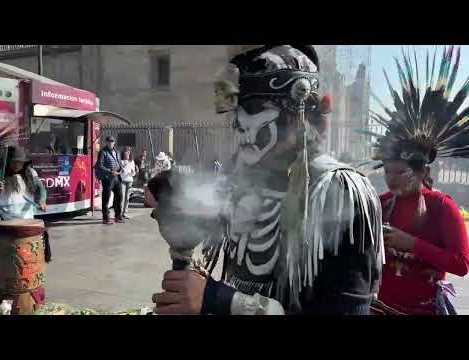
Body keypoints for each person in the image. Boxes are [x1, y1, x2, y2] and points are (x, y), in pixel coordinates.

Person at [151, 45, 384, 315]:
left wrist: (219, 299)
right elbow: (199, 222)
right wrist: (179, 209)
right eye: (239, 110)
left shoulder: (340, 192)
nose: (239, 123)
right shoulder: (243, 183)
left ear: (299, 114)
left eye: (256, 108)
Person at [366, 46, 469, 315]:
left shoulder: (442, 208)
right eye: (388, 172)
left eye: (401, 173)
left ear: (423, 173)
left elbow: (461, 264)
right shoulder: (380, 203)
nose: (392, 180)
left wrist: (411, 244)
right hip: (378, 308)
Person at [0, 145, 52, 262]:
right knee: (9, 261)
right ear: (7, 161)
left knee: (27, 260)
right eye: (14, 162)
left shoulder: (30, 173)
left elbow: (41, 188)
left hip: (27, 222)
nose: (17, 165)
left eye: (20, 162)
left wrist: (42, 200)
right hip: (6, 222)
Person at [96, 136, 124, 225]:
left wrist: (121, 168)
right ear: (106, 142)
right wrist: (111, 171)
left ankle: (118, 216)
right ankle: (106, 218)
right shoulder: (103, 152)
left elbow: (118, 162)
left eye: (112, 141)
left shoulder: (116, 152)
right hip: (108, 178)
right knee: (106, 198)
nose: (111, 143)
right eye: (109, 141)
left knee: (119, 196)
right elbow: (100, 165)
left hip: (117, 177)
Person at [120, 147, 136, 220]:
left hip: (129, 180)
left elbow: (133, 172)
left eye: (129, 151)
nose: (127, 153)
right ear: (123, 152)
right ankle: (119, 213)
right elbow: (119, 170)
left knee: (127, 198)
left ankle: (124, 213)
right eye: (126, 151)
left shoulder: (132, 161)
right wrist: (122, 169)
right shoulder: (121, 161)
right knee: (122, 197)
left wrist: (133, 173)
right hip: (122, 180)